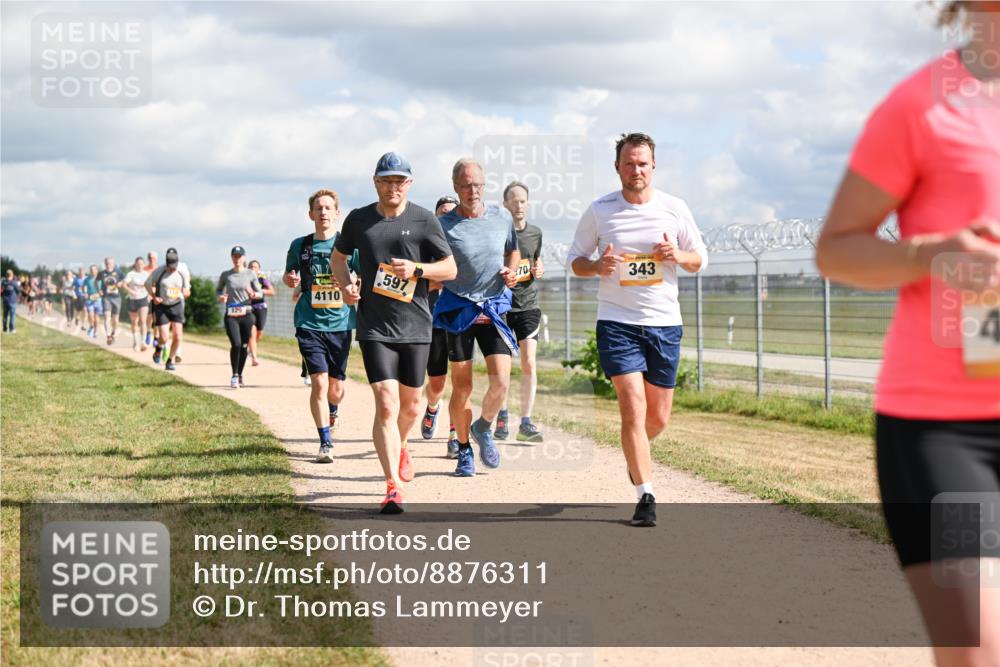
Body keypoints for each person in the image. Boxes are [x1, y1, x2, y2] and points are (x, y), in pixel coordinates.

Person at [816, 4, 1000, 662]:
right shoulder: (924, 106)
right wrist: (929, 254)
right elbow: (836, 249)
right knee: (978, 651)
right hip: (947, 431)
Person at [568, 132, 708, 527]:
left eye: (643, 163)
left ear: (653, 166)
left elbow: (699, 260)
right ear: (617, 167)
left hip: (664, 323)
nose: (636, 170)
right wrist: (597, 267)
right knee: (633, 405)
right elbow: (575, 260)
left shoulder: (674, 208)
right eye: (629, 163)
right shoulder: (600, 211)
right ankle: (645, 493)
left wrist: (675, 255)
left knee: (658, 418)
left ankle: (635, 455)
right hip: (617, 322)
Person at [333, 152, 456, 513]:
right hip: (374, 326)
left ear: (409, 184)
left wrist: (416, 269)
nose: (393, 187)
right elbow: (338, 260)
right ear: (376, 183)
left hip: (417, 325)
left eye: (399, 181)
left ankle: (400, 445)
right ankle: (392, 486)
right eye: (386, 181)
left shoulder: (424, 220)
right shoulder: (359, 220)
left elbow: (449, 269)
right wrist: (345, 287)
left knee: (411, 405)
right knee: (386, 403)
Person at [434, 158, 520, 478]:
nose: (473, 190)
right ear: (456, 187)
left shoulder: (502, 217)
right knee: (462, 387)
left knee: (501, 381)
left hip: (494, 306)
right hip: (459, 309)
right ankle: (464, 450)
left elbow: (513, 250)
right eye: (467, 185)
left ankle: (482, 427)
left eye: (478, 185)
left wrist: (511, 270)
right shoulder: (443, 226)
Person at [283, 189, 359, 464]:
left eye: (328, 208)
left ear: (337, 213)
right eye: (319, 208)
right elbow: (289, 274)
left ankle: (334, 409)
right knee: (319, 382)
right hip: (309, 322)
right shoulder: (300, 246)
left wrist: (356, 285)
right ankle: (325, 441)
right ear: (311, 214)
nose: (323, 212)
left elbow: (361, 276)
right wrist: (289, 279)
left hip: (340, 323)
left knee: (335, 389)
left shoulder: (350, 247)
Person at [495, 181, 546, 442]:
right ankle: (502, 415)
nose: (519, 205)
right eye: (513, 200)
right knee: (503, 369)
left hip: (528, 305)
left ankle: (526, 421)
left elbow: (537, 261)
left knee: (529, 362)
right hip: (502, 307)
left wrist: (539, 269)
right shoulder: (497, 233)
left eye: (523, 200)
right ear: (505, 204)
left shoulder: (535, 233)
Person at [422, 195, 461, 457]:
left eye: (451, 213)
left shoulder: (464, 245)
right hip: (434, 320)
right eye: (442, 214)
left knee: (461, 382)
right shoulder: (427, 247)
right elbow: (423, 279)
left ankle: (455, 436)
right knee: (437, 383)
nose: (447, 217)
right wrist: (441, 278)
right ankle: (432, 406)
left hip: (460, 319)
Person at [217, 246, 261, 389]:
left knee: (243, 346)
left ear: (244, 258)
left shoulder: (250, 274)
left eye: (239, 256)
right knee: (236, 344)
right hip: (231, 314)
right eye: (234, 256)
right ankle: (234, 375)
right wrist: (221, 297)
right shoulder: (226, 275)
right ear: (231, 257)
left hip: (247, 313)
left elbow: (259, 292)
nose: (237, 259)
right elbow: (218, 290)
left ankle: (240, 374)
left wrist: (254, 295)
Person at [145, 248, 190, 371]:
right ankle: (159, 348)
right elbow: (147, 284)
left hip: (177, 305)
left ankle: (170, 360)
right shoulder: (159, 271)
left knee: (178, 336)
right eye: (170, 266)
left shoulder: (183, 270)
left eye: (174, 266)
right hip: (162, 306)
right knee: (164, 337)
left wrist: (186, 292)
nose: (172, 269)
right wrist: (154, 297)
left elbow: (187, 288)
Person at [247, 259, 276, 366]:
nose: (253, 269)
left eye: (255, 267)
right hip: (249, 308)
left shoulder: (262, 279)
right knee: (252, 333)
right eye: (251, 267)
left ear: (259, 269)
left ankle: (250, 349)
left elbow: (272, 291)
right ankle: (254, 357)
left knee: (259, 333)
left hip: (261, 307)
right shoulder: (245, 279)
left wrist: (261, 291)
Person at [123, 257, 150, 351]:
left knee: (143, 321)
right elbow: (124, 285)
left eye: (142, 264)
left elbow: (150, 286)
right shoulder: (131, 274)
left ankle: (143, 342)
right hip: (132, 300)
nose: (140, 265)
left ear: (144, 264)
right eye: (138, 263)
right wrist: (131, 291)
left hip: (143, 299)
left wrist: (150, 295)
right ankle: (135, 341)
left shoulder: (146, 274)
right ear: (135, 264)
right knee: (134, 322)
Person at [97, 257, 124, 346]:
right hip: (106, 298)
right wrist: (99, 290)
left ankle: (113, 332)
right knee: (107, 317)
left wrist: (121, 283)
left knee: (115, 320)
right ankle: (108, 336)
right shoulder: (102, 273)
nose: (109, 265)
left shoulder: (118, 272)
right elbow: (96, 281)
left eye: (110, 263)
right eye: (107, 263)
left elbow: (126, 279)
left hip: (116, 297)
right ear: (105, 264)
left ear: (113, 263)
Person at [82, 264, 102, 338]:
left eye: (94, 270)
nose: (92, 271)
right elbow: (83, 287)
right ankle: (91, 325)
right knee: (90, 315)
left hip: (98, 299)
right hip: (89, 299)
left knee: (96, 317)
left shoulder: (101, 279)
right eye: (91, 270)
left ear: (96, 270)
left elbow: (104, 288)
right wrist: (85, 293)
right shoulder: (87, 279)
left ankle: (96, 331)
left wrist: (101, 293)